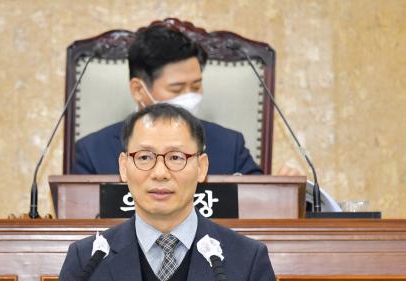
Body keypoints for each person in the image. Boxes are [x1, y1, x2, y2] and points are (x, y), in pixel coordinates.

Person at [53, 103, 284, 281]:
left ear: (201, 167)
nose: (160, 173)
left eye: (175, 157)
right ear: (123, 167)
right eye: (144, 157)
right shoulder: (86, 261)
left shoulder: (248, 260)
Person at [73, 24, 263, 176]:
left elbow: (261, 202)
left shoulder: (230, 145)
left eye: (196, 86)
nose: (190, 97)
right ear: (138, 90)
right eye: (176, 89)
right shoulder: (93, 152)